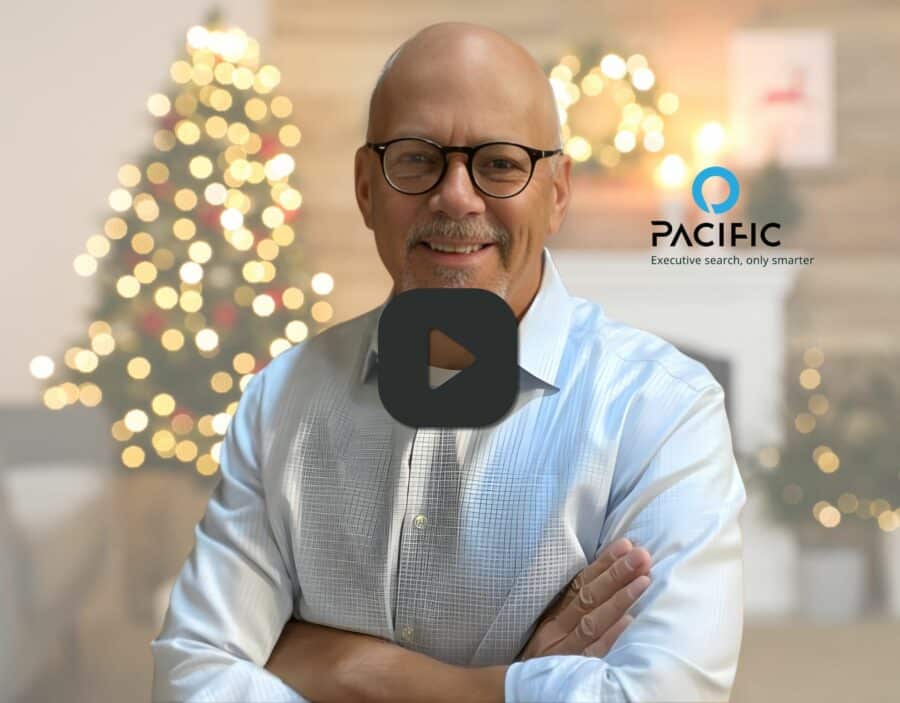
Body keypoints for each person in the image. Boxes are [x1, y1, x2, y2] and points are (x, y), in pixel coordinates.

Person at [152, 21, 746, 703]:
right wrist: (500, 686)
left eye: (499, 163)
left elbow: (659, 695)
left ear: (556, 192)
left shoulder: (664, 410)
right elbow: (191, 678)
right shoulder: (280, 399)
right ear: (366, 187)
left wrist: (348, 669)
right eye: (415, 158)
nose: (456, 196)